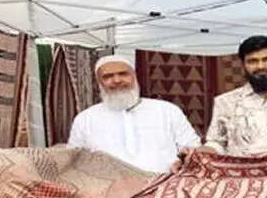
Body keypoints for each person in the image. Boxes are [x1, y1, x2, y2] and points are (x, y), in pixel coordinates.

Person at [67, 54, 200, 173]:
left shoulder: (168, 110)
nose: (117, 80)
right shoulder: (85, 118)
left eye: (123, 74)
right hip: (106, 189)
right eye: (107, 76)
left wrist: (183, 160)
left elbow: (192, 147)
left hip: (163, 186)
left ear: (134, 76)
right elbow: (72, 158)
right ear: (99, 82)